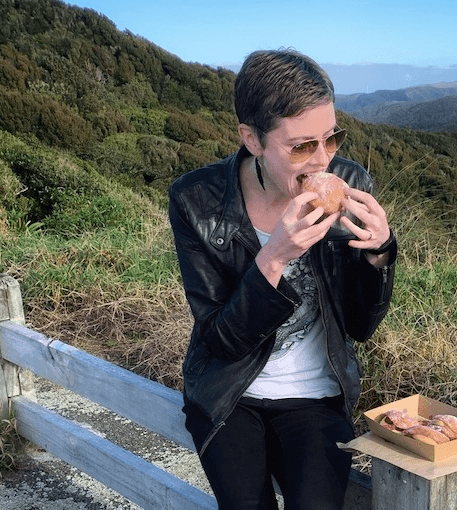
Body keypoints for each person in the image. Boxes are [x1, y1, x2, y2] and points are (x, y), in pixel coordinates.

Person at [168, 48, 397, 510]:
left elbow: (360, 327)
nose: (322, 162)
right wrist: (273, 258)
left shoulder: (351, 182)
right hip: (230, 392)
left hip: (317, 394)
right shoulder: (197, 200)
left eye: (331, 139)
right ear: (251, 139)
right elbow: (221, 341)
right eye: (301, 146)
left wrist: (379, 253)